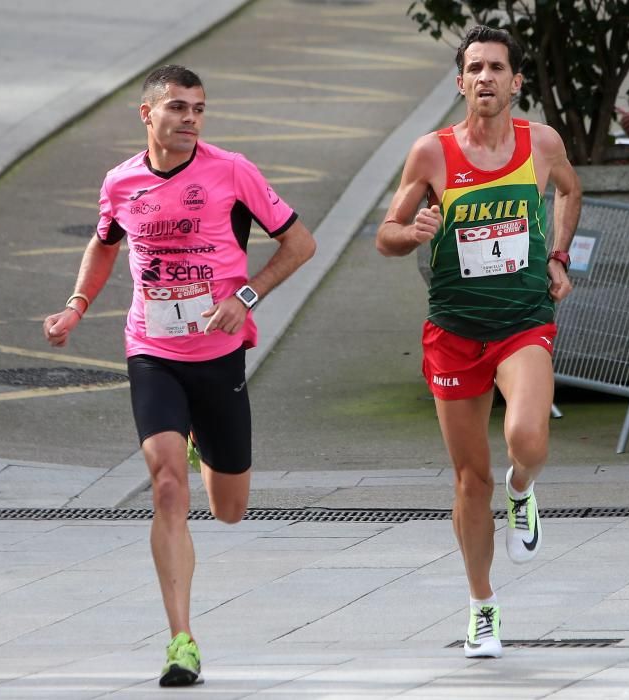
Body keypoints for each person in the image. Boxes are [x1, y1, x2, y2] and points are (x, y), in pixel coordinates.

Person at [42, 65, 315, 687]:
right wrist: (76, 306)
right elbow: (105, 242)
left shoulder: (231, 171)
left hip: (217, 356)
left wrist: (245, 297)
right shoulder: (120, 182)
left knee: (229, 508)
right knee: (166, 486)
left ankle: (202, 449)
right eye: (178, 108)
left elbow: (301, 244)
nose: (191, 119)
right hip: (152, 350)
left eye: (199, 109)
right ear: (149, 115)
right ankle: (181, 642)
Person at [375, 25, 581, 659]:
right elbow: (386, 231)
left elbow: (571, 191)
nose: (486, 77)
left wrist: (557, 253)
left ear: (517, 81)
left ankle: (524, 494)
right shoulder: (431, 154)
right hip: (454, 331)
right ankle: (482, 608)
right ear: (460, 82)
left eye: (497, 67)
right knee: (471, 479)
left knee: (527, 438)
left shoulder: (541, 143)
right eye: (474, 68)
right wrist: (413, 234)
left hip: (522, 321)